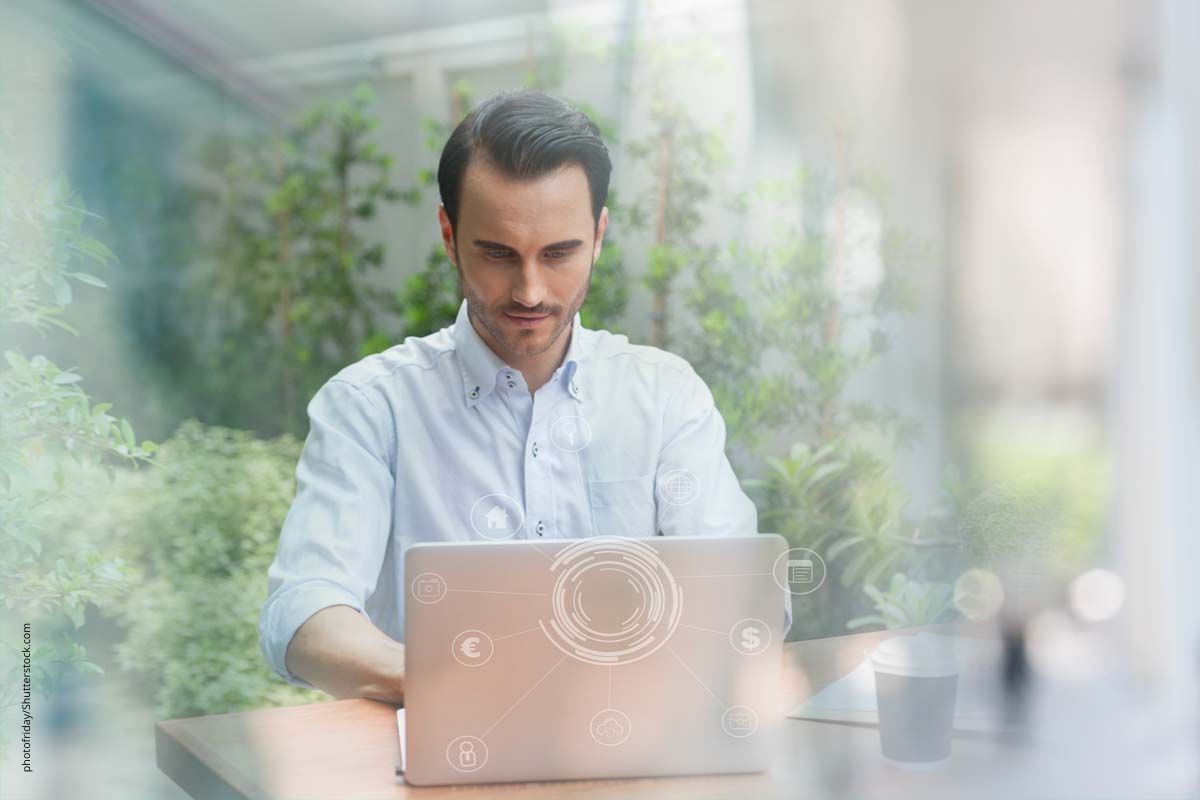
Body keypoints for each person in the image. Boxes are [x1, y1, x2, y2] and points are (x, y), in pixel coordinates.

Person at [258, 89, 759, 704]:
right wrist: (456, 682)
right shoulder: (371, 408)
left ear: (598, 236)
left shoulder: (665, 396)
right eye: (497, 253)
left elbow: (736, 591)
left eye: (559, 253)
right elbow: (304, 613)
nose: (529, 291)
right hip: (445, 756)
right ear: (449, 234)